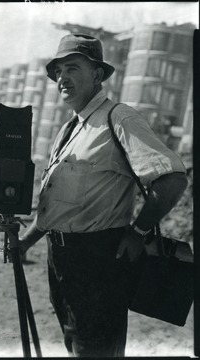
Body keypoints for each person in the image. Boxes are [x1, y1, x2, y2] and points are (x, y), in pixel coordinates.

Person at [18, 33, 188, 357]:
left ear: (97, 74)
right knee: (76, 343)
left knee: (94, 350)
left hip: (98, 261)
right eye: (58, 71)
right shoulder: (70, 129)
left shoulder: (119, 118)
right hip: (61, 261)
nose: (62, 78)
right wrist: (26, 241)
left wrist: (138, 232)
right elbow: (59, 206)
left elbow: (172, 179)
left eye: (72, 68)